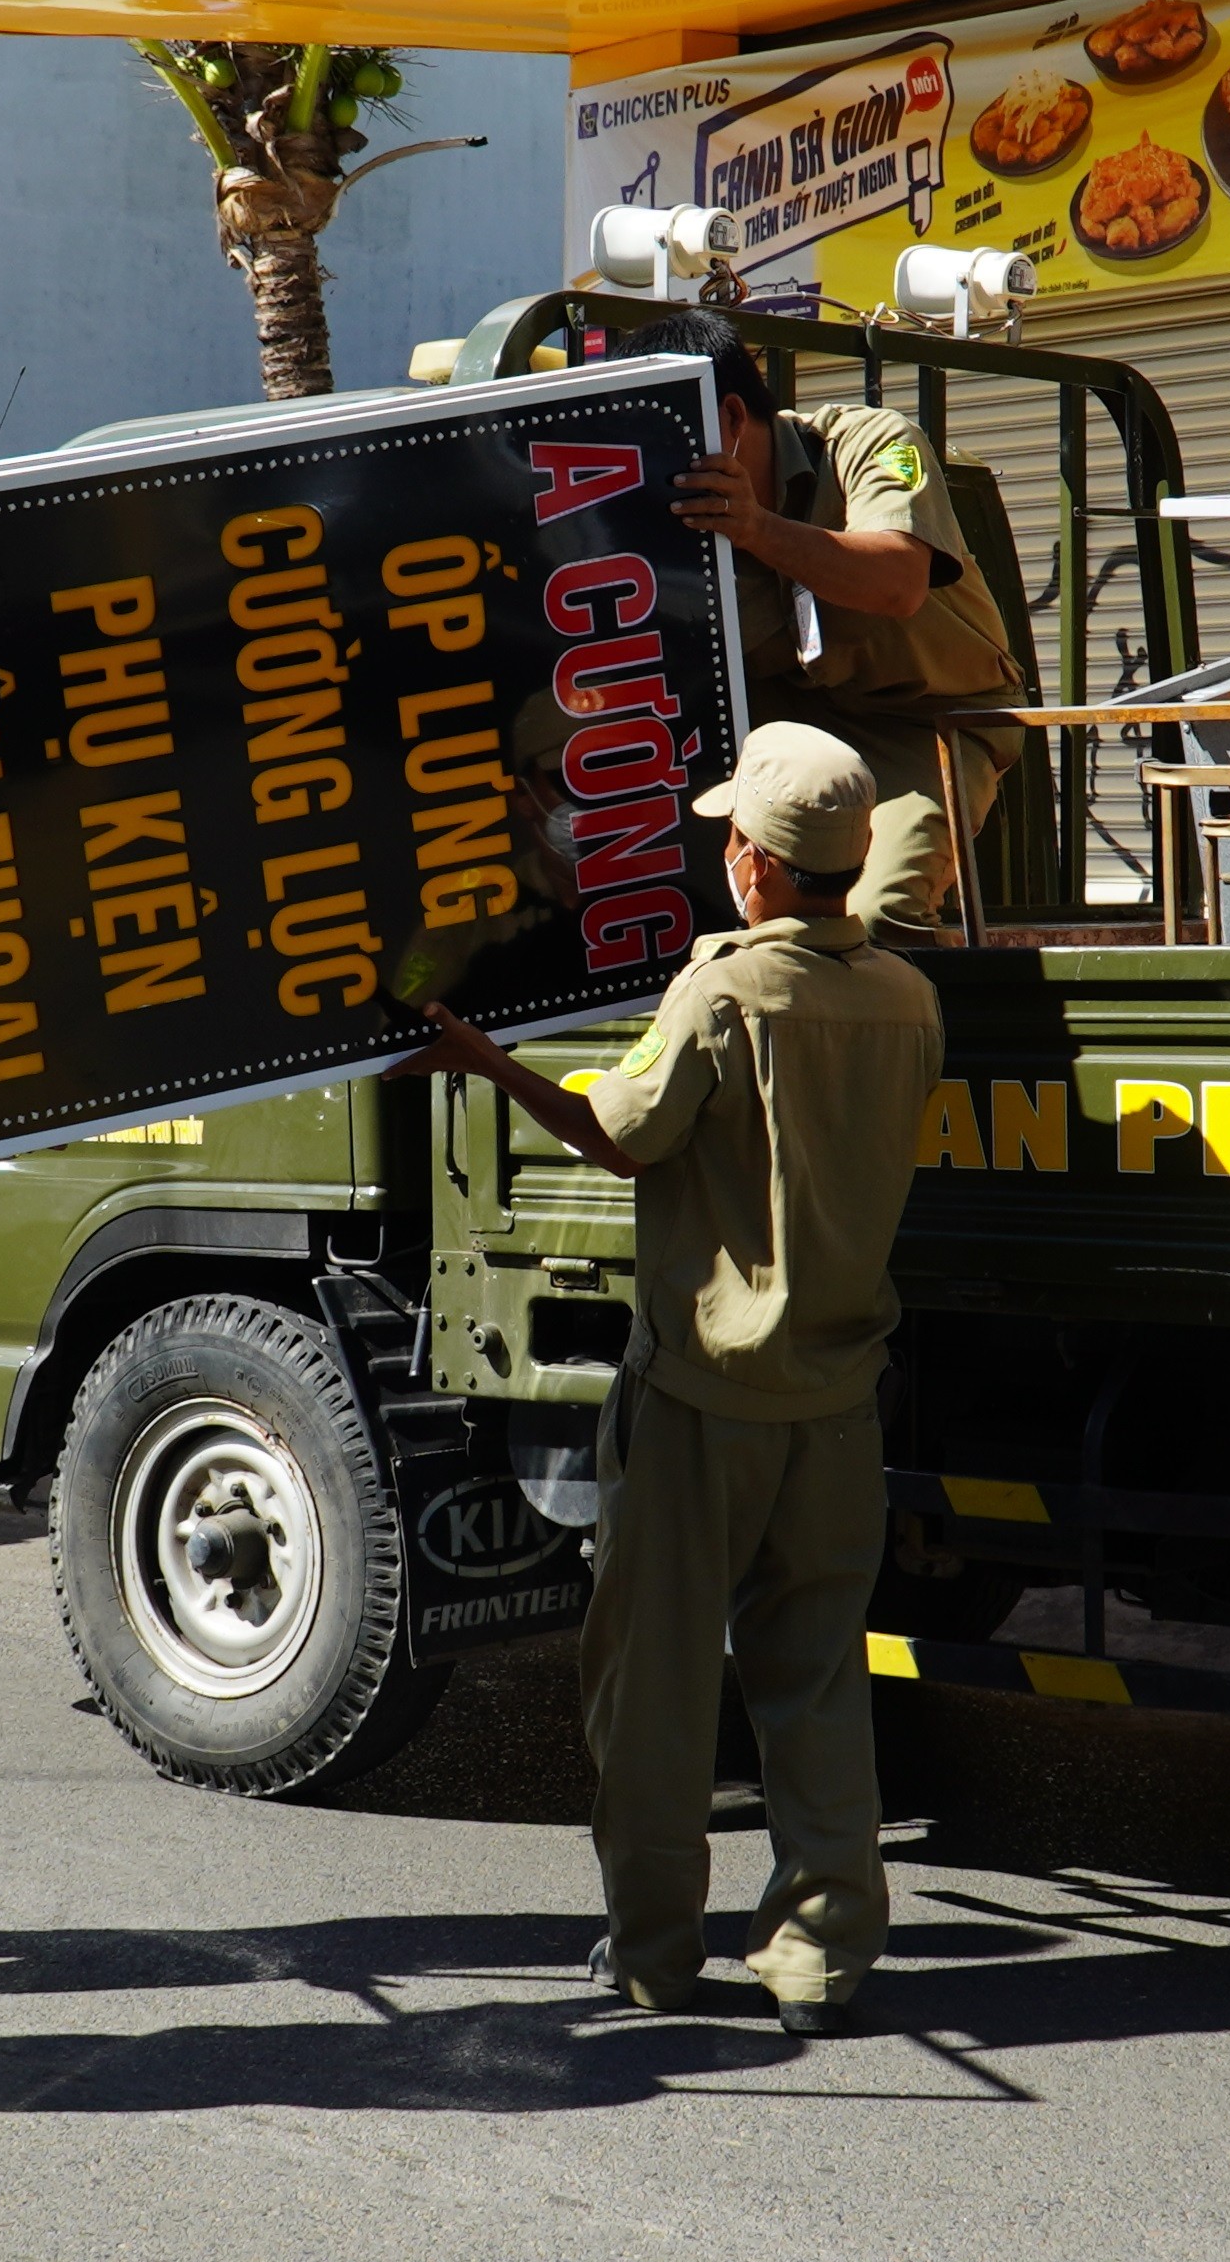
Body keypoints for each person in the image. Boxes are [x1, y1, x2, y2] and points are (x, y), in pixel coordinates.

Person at [407, 721, 947, 2037]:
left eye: (729, 838)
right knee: (815, 1684)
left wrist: (482, 1061)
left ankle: (655, 1954)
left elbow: (622, 1135)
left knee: (651, 1693)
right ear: (856, 856)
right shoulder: (904, 998)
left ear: (759, 867)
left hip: (704, 1400)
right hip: (834, 1401)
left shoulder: (726, 992)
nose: (720, 853)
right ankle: (820, 1955)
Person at [673, 391, 1030, 937]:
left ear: (732, 417)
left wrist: (756, 528)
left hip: (923, 722)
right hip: (784, 731)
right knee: (695, 911)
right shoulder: (662, 510)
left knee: (873, 921)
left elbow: (899, 582)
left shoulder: (870, 443)